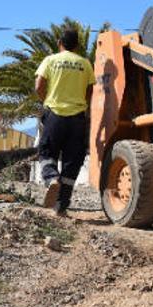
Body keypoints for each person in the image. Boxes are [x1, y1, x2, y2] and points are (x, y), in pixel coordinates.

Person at [35, 28, 95, 216]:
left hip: (55, 115)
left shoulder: (51, 60)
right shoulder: (85, 64)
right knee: (72, 162)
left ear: (59, 42)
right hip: (77, 119)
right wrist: (83, 107)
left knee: (47, 152)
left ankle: (52, 178)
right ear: (77, 45)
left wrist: (47, 101)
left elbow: (38, 86)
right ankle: (61, 206)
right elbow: (90, 91)